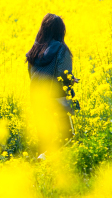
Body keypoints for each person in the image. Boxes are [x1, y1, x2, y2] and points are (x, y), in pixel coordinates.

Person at [25, 13, 78, 157]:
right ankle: (53, 162)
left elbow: (31, 73)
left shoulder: (35, 50)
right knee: (68, 135)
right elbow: (63, 73)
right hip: (55, 97)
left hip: (36, 96)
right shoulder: (62, 49)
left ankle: (42, 164)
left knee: (44, 135)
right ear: (61, 31)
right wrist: (71, 79)